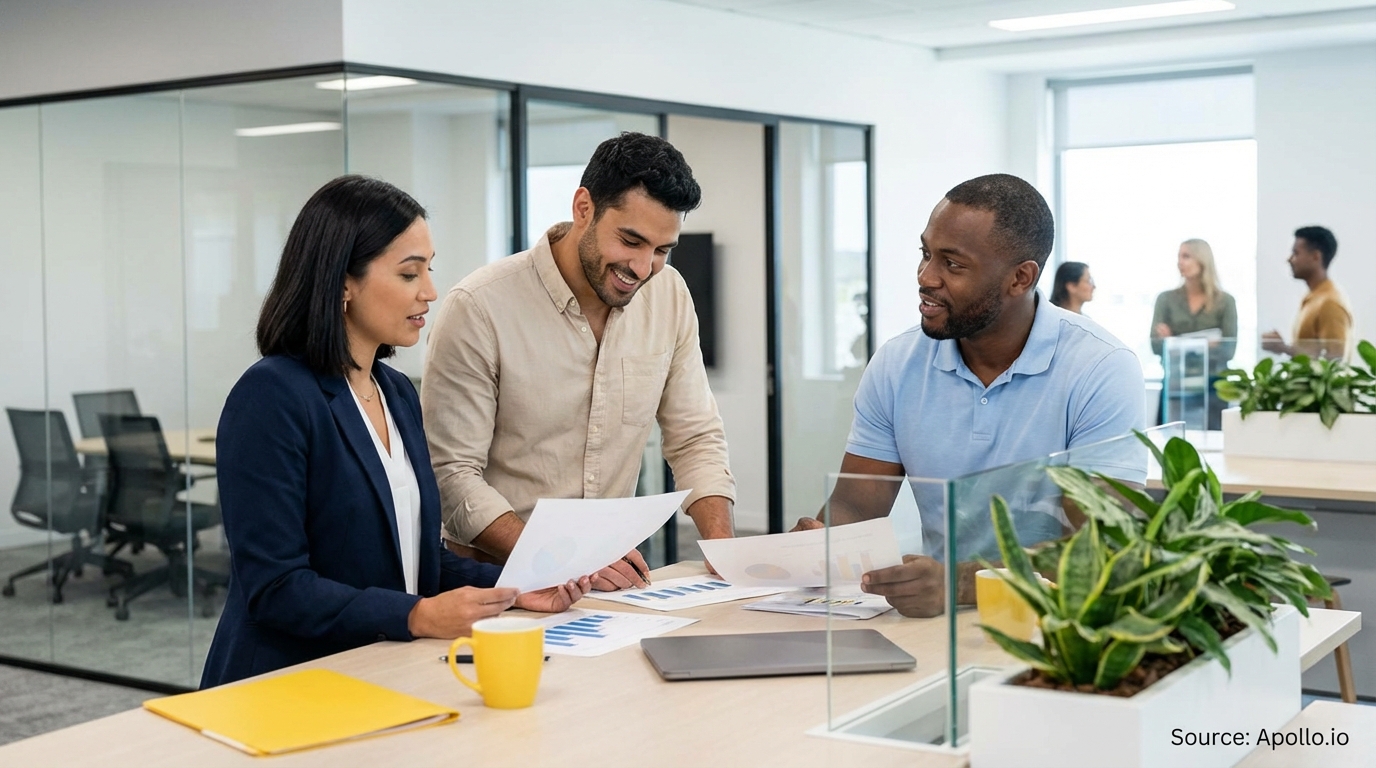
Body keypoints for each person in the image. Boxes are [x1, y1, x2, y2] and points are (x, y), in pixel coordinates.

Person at [201, 176, 590, 688]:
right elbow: (277, 588)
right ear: (343, 281)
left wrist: (516, 588)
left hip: (381, 670)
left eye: (429, 269)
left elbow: (416, 563)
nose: (430, 291)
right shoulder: (272, 395)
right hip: (289, 681)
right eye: (410, 274)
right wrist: (417, 615)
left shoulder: (396, 391)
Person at [794, 174, 1145, 618]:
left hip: (1061, 620)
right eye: (925, 254)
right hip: (936, 620)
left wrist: (960, 583)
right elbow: (855, 503)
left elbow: (1102, 543)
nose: (926, 277)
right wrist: (817, 543)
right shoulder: (897, 362)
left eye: (952, 264)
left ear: (1020, 278)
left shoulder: (1101, 367)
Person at [422, 132, 736, 592]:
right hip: (491, 579)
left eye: (663, 250)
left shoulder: (668, 296)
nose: (644, 267)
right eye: (631, 240)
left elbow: (695, 437)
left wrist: (724, 550)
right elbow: (451, 475)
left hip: (607, 582)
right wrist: (559, 560)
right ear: (583, 207)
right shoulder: (479, 306)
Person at [1149, 239, 1238, 430]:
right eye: (1179, 257)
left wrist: (1175, 342)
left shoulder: (1225, 301)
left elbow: (1228, 350)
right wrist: (1207, 343)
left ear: (1202, 260)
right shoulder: (1166, 299)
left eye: (1186, 256)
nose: (1180, 262)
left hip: (1214, 386)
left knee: (1215, 443)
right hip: (1176, 384)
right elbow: (1156, 346)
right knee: (1167, 443)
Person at [1261, 225, 1352, 361]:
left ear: (1316, 256)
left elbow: (1334, 361)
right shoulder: (1314, 297)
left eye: (1296, 253)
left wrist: (1284, 348)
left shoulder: (1330, 302)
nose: (1290, 259)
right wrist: (1284, 347)